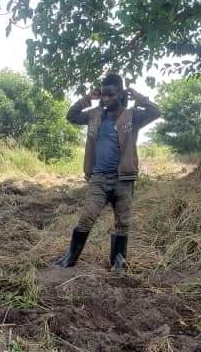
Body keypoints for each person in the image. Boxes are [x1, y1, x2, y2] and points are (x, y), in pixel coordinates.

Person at [55, 73, 161, 272]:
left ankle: (117, 263)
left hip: (123, 179)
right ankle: (70, 257)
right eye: (103, 95)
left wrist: (139, 97)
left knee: (122, 223)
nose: (106, 99)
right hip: (99, 178)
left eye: (110, 95)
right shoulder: (94, 114)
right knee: (86, 217)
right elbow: (71, 115)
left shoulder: (133, 116)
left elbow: (156, 112)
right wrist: (87, 98)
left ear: (120, 94)